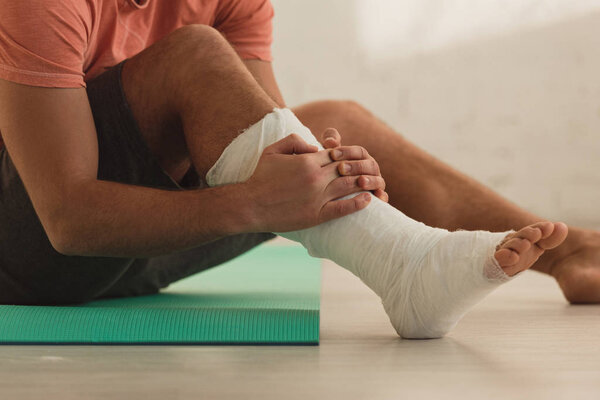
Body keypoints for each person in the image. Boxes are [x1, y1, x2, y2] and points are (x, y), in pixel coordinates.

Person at [0, 0, 592, 336]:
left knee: (338, 118)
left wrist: (337, 181)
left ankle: (574, 256)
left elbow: (273, 145)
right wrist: (260, 202)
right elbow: (68, 220)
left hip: (142, 247)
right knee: (195, 53)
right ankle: (407, 266)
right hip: (35, 262)